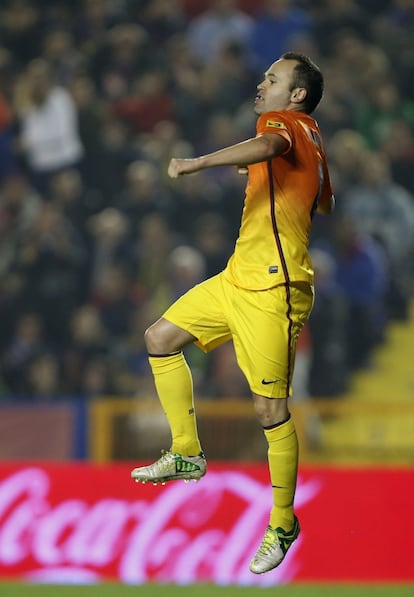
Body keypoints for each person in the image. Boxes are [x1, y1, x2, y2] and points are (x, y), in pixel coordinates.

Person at [131, 52, 334, 574]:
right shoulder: (311, 137)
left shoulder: (281, 124)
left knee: (270, 412)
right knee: (160, 338)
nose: (261, 84)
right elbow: (323, 201)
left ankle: (284, 520)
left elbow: (269, 144)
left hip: (273, 289)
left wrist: (197, 163)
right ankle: (186, 452)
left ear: (296, 95)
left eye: (273, 78)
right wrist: (277, 174)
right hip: (236, 278)